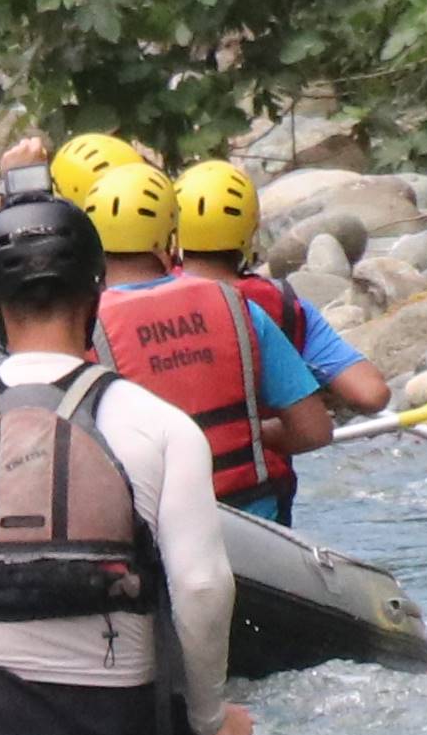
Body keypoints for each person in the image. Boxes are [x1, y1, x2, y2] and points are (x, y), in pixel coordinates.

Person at [0, 186, 248, 735]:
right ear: (97, 293)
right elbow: (202, 588)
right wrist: (208, 719)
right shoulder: (161, 424)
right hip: (120, 720)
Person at [161, 158, 388, 519]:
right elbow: (371, 394)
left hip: (166, 503)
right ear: (250, 233)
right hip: (258, 508)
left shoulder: (138, 305)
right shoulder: (281, 306)